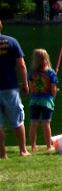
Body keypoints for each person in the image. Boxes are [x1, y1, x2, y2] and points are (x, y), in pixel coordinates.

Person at [0, 20, 30, 158]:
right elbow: (21, 65)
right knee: (17, 120)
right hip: (10, 87)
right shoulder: (12, 42)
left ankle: (3, 154)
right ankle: (23, 150)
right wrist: (25, 84)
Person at [28, 48, 59, 152]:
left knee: (33, 123)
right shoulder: (51, 73)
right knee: (46, 124)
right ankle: (49, 146)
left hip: (34, 101)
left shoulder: (31, 73)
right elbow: (53, 89)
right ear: (46, 58)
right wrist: (53, 99)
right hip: (47, 101)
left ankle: (33, 146)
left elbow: (31, 88)